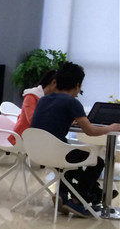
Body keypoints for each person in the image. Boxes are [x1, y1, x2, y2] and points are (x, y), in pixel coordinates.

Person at [30, 62, 120, 217]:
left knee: (72, 165)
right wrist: (110, 128)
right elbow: (90, 131)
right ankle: (78, 201)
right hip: (58, 153)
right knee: (97, 162)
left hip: (37, 152)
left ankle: (63, 194)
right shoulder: (72, 102)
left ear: (56, 81)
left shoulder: (43, 100)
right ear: (78, 85)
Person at [11, 69, 57, 142]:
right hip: (22, 138)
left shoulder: (50, 98)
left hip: (36, 137)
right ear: (53, 82)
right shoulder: (31, 96)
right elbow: (33, 121)